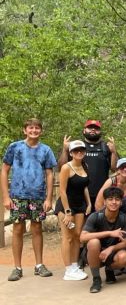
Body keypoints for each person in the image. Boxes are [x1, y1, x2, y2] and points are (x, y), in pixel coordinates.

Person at [2, 118, 57, 281]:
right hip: (18, 195)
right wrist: (6, 196)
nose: (34, 130)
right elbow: (4, 171)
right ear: (25, 130)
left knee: (37, 229)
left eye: (37, 128)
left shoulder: (46, 150)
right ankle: (17, 267)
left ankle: (39, 265)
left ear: (41, 131)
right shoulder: (15, 147)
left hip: (38, 196)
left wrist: (48, 198)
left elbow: (49, 173)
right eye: (31, 128)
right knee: (18, 229)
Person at [81, 187, 126, 293]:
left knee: (124, 257)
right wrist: (109, 233)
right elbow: (83, 237)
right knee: (94, 242)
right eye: (110, 199)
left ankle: (109, 270)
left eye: (117, 199)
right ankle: (96, 279)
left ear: (121, 202)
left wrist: (111, 248)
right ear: (104, 201)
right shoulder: (95, 217)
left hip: (112, 253)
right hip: (94, 254)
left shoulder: (124, 219)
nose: (114, 202)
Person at [59, 120, 117, 212]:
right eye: (90, 127)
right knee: (81, 225)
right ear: (84, 130)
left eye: (96, 128)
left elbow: (114, 168)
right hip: (79, 195)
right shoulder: (77, 146)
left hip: (101, 194)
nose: (93, 130)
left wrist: (113, 152)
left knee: (99, 223)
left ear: (100, 132)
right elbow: (62, 167)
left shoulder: (106, 147)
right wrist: (65, 150)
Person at [55, 140, 91, 281]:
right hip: (66, 206)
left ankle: (75, 265)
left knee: (77, 236)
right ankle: (68, 269)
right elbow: (62, 191)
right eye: (76, 151)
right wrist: (68, 212)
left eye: (81, 150)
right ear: (71, 153)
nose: (79, 153)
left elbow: (84, 187)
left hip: (80, 205)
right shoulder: (66, 167)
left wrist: (88, 203)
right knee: (67, 237)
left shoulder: (85, 166)